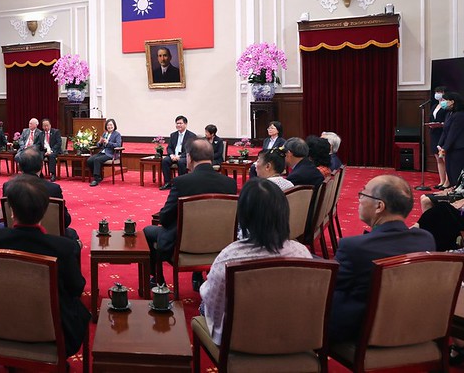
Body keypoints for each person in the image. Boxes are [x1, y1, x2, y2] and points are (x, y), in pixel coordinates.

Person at [0, 174, 91, 357]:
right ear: (45, 211)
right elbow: (76, 288)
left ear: (11, 211)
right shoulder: (63, 247)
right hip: (51, 329)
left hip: (0, 324)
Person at [200, 177, 312, 345]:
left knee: (203, 304)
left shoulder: (229, 257)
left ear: (243, 216)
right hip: (289, 338)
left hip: (239, 341)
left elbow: (213, 305)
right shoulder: (302, 253)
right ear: (284, 212)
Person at [329, 175, 434, 342]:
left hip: (363, 334)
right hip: (412, 327)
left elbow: (329, 287)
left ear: (379, 206)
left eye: (363, 194)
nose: (359, 200)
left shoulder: (354, 247)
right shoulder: (426, 239)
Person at [143, 139, 237, 279]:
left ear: (190, 157)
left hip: (185, 245)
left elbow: (165, 218)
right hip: (220, 245)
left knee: (148, 231)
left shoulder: (182, 182)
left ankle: (158, 281)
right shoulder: (230, 184)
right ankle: (197, 277)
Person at [12, 148, 78, 241]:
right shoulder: (53, 188)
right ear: (41, 165)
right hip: (48, 237)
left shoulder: (9, 186)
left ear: (19, 166)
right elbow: (65, 220)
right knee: (72, 235)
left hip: (15, 236)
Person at [160, 115, 197, 191]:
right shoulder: (173, 135)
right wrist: (171, 155)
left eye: (180, 123)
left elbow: (190, 149)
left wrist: (179, 157)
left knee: (181, 162)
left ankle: (181, 183)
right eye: (177, 123)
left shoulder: (191, 135)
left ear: (185, 124)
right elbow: (169, 147)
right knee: (165, 161)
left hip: (184, 156)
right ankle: (168, 183)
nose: (178, 125)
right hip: (174, 156)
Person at [437, 91, 464, 191]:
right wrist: (440, 145)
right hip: (450, 148)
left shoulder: (460, 115)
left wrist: (445, 148)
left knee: (456, 171)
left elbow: (453, 133)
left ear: (452, 102)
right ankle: (453, 189)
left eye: (445, 100)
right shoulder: (449, 114)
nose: (442, 102)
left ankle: (457, 192)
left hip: (458, 148)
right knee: (449, 170)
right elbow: (445, 131)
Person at [86, 118, 122, 186]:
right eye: (108, 125)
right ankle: (99, 176)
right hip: (102, 152)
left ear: (114, 126)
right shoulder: (105, 134)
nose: (109, 127)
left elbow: (118, 145)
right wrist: (99, 142)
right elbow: (98, 145)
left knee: (97, 160)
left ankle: (96, 179)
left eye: (111, 125)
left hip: (111, 154)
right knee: (89, 160)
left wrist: (108, 143)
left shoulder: (117, 134)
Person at [429, 86, 450, 189]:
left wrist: (441, 124)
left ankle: (448, 181)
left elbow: (449, 120)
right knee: (438, 159)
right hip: (434, 133)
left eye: (440, 92)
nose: (437, 94)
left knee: (445, 158)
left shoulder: (447, 106)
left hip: (443, 133)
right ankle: (441, 181)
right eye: (436, 92)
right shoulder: (434, 106)